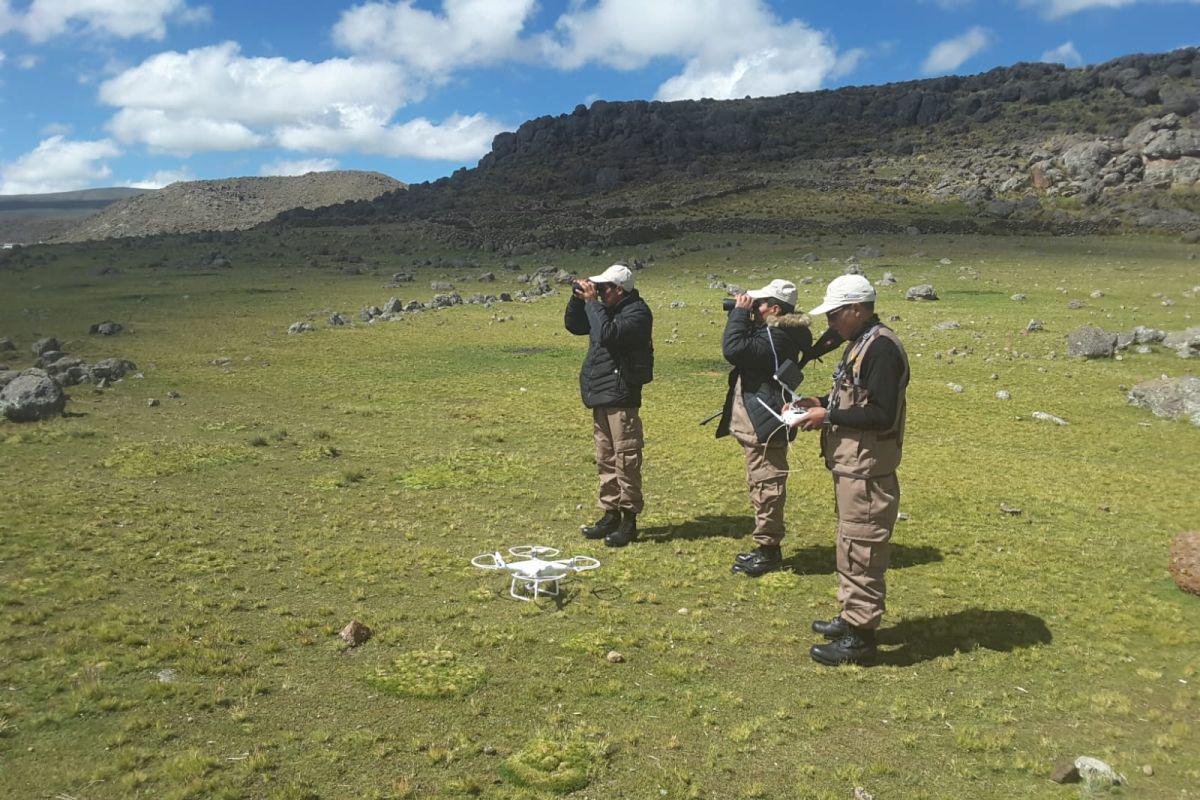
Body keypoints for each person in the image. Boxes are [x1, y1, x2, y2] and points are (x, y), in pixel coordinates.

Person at [791, 274, 910, 666]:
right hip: (852, 467)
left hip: (868, 471)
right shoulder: (860, 344)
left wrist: (827, 416)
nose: (830, 324)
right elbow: (856, 396)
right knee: (850, 542)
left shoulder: (882, 350)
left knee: (863, 548)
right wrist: (820, 401)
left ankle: (861, 637)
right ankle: (850, 616)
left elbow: (881, 413)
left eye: (835, 315)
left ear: (857, 309)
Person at [715, 279, 813, 577]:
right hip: (759, 419)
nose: (753, 308)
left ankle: (769, 550)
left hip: (765, 422)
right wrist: (746, 315)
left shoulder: (778, 337)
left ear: (774, 308)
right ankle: (764, 546)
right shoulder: (773, 332)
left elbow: (733, 349)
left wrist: (739, 315)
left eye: (758, 304)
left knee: (768, 485)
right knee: (760, 483)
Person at [565, 264, 654, 548]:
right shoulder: (607, 309)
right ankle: (610, 513)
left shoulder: (637, 312)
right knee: (605, 457)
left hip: (621, 395)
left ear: (619, 289)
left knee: (625, 459)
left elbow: (606, 334)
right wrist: (578, 299)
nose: (600, 294)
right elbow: (575, 326)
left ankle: (629, 520)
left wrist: (592, 303)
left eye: (604, 289)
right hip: (601, 394)